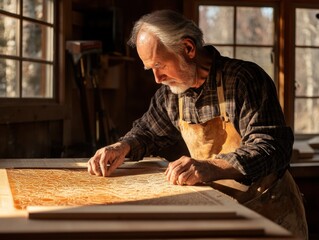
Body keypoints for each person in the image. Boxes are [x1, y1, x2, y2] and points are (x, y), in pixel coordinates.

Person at [88, 9, 308, 239]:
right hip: (221, 212)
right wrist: (122, 146)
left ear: (188, 48)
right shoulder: (171, 95)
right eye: (150, 68)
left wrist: (211, 167)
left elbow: (272, 147)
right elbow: (147, 131)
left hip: (270, 210)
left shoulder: (244, 80)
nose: (157, 78)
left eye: (160, 65)